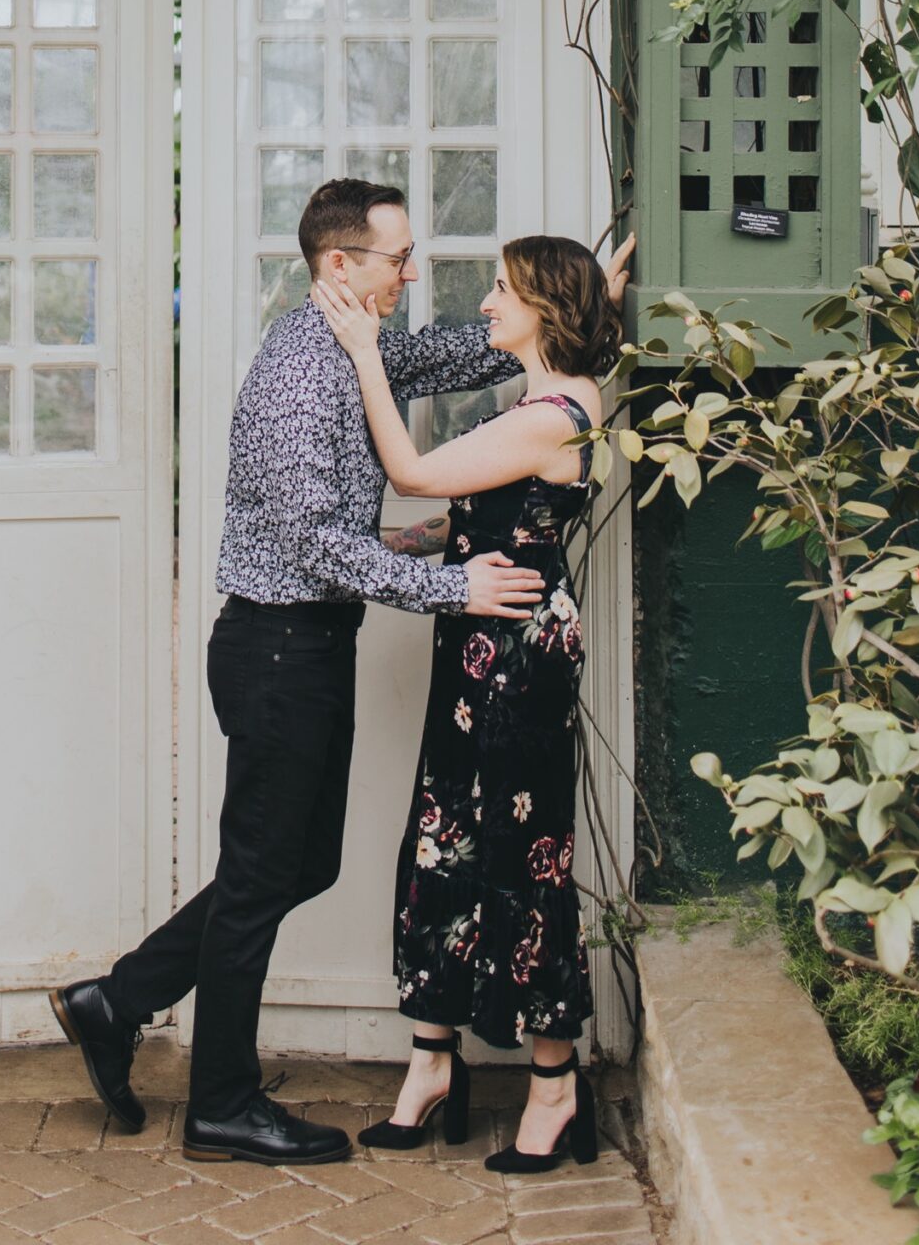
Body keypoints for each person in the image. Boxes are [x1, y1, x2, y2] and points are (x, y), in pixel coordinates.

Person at [52, 179, 632, 1169]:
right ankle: (220, 1100)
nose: (411, 275)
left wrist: (583, 294)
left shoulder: (348, 347)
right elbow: (315, 543)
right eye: (396, 260)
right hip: (275, 647)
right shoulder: (297, 376)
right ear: (340, 267)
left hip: (312, 646)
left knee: (295, 862)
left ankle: (119, 999)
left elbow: (468, 349)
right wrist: (446, 584)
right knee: (255, 877)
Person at [312, 235, 621, 1175]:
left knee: (523, 857)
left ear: (544, 308)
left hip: (519, 657)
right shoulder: (537, 403)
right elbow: (484, 509)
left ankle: (555, 1085)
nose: (486, 306)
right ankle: (434, 1060)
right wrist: (414, 547)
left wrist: (368, 356)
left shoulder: (553, 412)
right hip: (479, 644)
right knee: (446, 837)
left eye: (501, 290)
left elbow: (411, 468)